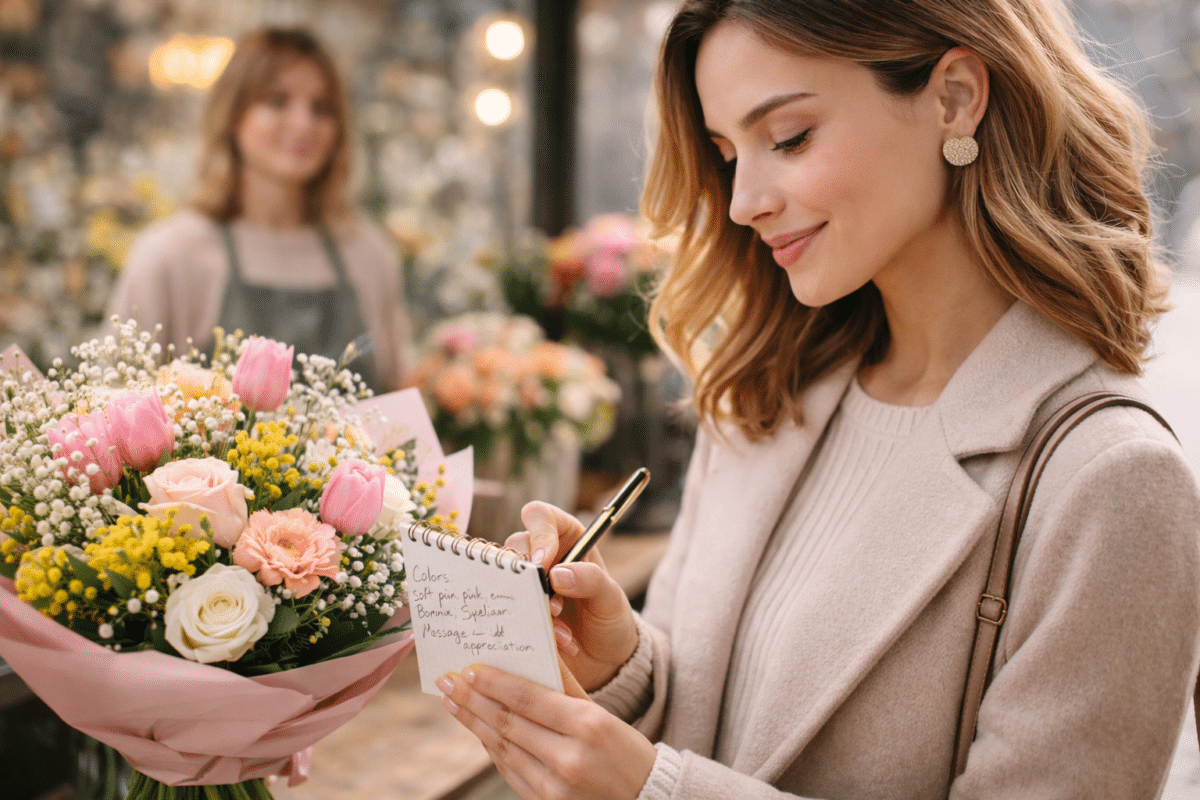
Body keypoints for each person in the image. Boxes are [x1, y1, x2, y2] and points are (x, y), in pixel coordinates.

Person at [434, 1, 1200, 798]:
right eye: (728, 153)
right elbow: (737, 727)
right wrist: (624, 666)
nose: (743, 201)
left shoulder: (1112, 482)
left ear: (956, 98)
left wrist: (655, 791)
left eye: (790, 138)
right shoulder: (767, 391)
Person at [105, 27, 406, 392]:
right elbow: (113, 415)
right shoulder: (171, 255)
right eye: (277, 101)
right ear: (232, 116)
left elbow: (399, 402)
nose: (302, 123)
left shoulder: (366, 255)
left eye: (321, 108)